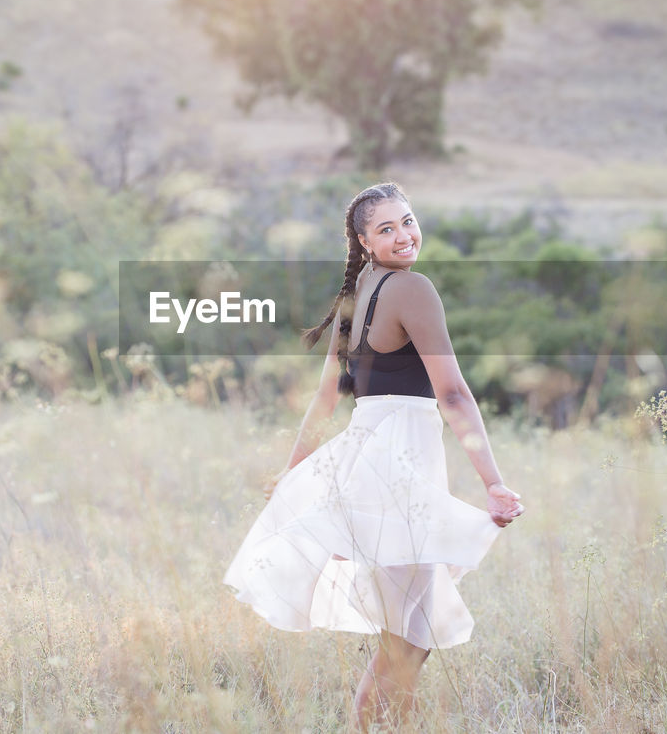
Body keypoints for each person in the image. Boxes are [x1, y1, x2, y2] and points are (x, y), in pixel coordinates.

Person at [223, 181, 523, 730]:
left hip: (372, 457)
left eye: (408, 221)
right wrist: (494, 484)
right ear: (364, 240)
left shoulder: (358, 293)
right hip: (396, 461)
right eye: (387, 229)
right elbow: (452, 393)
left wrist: (293, 476)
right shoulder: (412, 289)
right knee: (410, 635)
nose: (405, 235)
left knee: (408, 631)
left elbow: (325, 399)